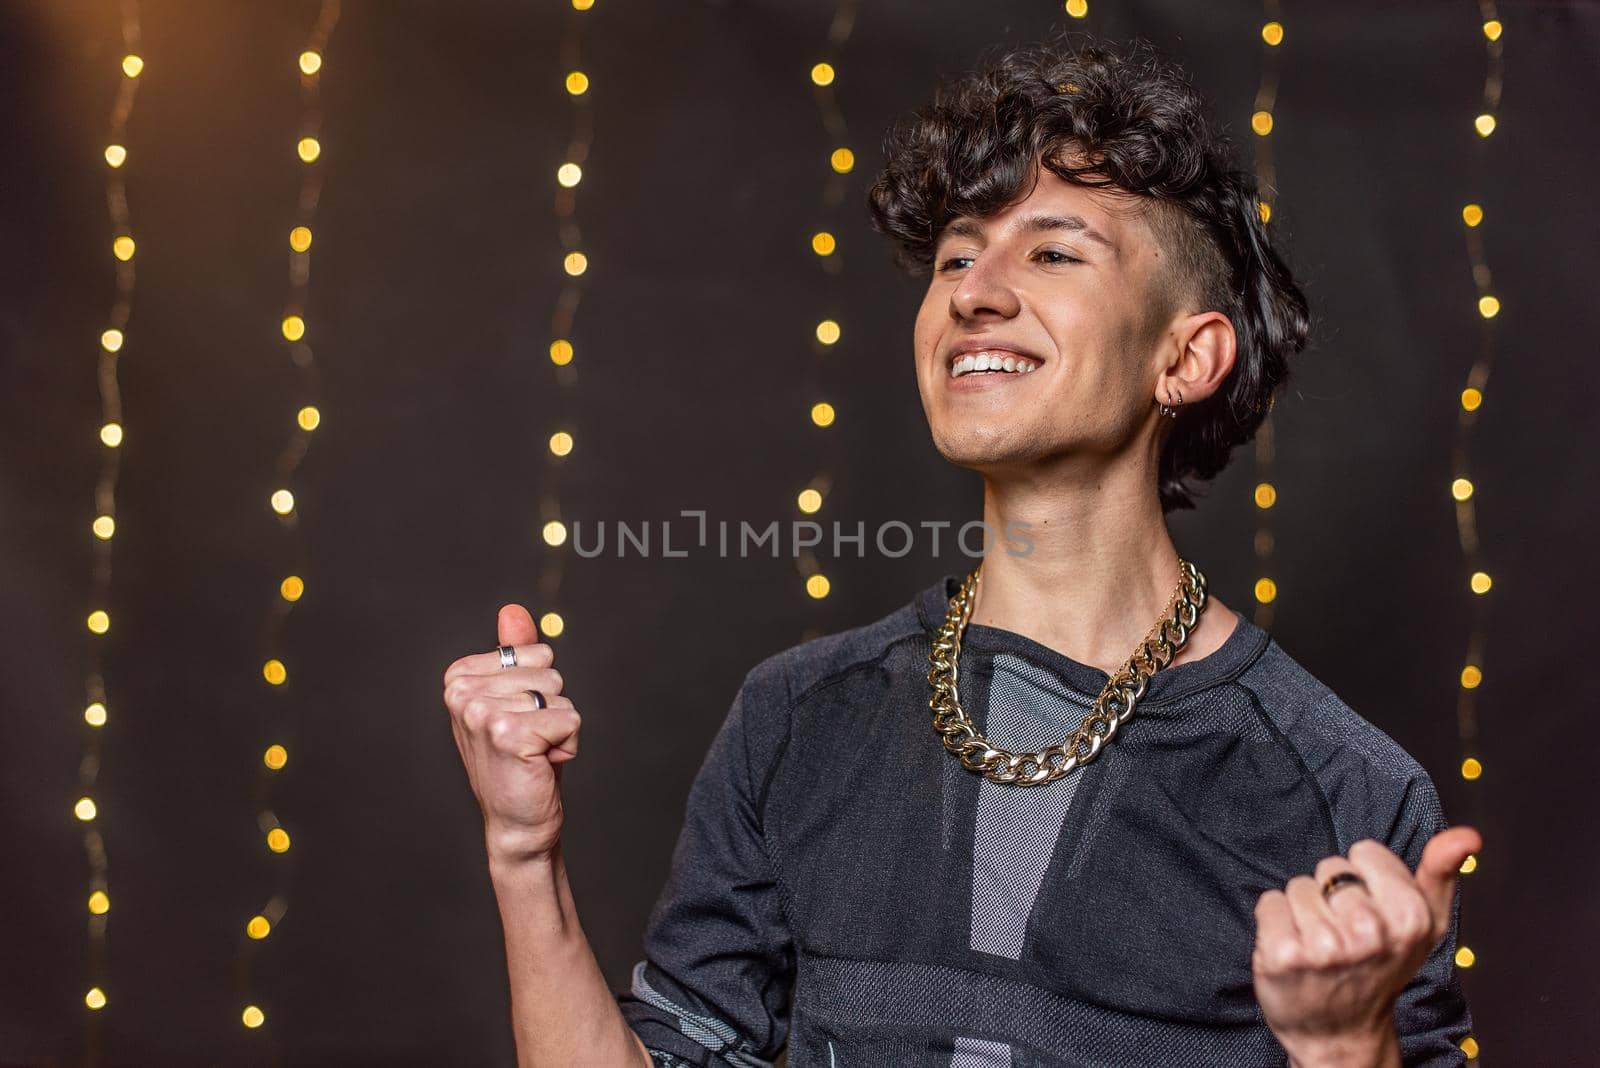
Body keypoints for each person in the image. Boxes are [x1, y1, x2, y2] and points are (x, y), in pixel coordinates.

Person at [442, 30, 1480, 1068]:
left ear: (1187, 355)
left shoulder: (1344, 791)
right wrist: (523, 855)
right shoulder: (797, 720)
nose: (973, 291)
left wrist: (1347, 1047)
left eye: (1053, 250)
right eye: (953, 256)